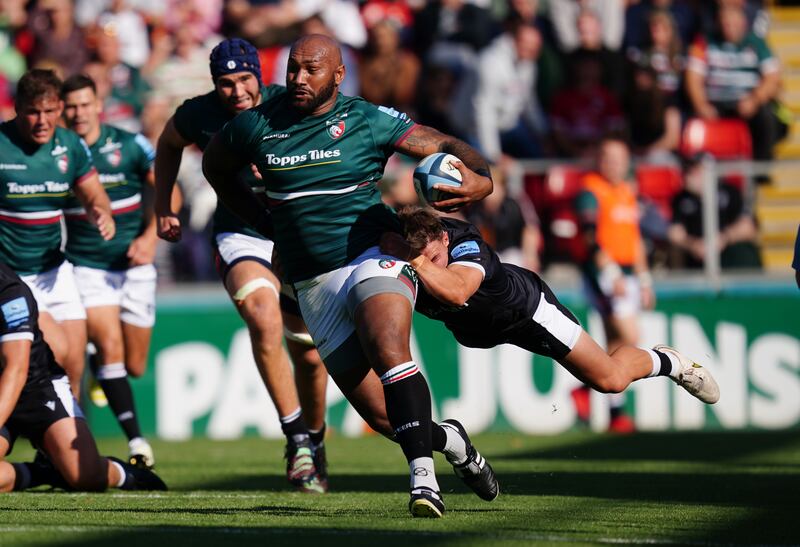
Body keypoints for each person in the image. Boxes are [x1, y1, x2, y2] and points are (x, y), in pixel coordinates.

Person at [202, 34, 496, 518]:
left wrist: (482, 177)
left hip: (370, 257)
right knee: (384, 416)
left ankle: (423, 481)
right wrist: (261, 223)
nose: (298, 78)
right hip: (312, 284)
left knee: (388, 346)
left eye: (310, 70)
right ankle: (450, 440)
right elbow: (217, 167)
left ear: (337, 76)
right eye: (293, 68)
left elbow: (440, 142)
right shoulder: (254, 125)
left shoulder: (365, 118)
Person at [154, 38, 329, 493]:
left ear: (260, 75)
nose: (236, 92)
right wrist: (163, 205)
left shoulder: (288, 102)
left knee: (310, 355)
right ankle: (296, 439)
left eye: (244, 79)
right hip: (239, 233)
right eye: (225, 83)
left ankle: (316, 438)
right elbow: (169, 142)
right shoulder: (199, 113)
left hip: (295, 238)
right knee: (262, 317)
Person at [380, 205, 719, 416]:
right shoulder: (402, 253)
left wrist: (414, 259)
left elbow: (456, 292)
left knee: (610, 380)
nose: (428, 267)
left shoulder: (464, 243)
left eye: (434, 258)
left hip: (529, 312)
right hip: (480, 330)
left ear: (443, 238)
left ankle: (671, 363)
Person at [61, 74, 176, 469]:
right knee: (109, 344)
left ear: (98, 104)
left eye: (83, 104)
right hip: (87, 266)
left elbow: (167, 186)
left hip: (135, 265)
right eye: (70, 106)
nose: (77, 113)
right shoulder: (58, 151)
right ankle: (138, 442)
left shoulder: (127, 145)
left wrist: (150, 236)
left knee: (135, 366)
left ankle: (100, 371)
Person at [0, 261, 167, 493]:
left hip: (36, 389)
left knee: (84, 476)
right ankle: (43, 473)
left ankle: (124, 474)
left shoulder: (9, 292)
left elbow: (15, 369)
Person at [0, 68, 114, 398]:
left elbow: (95, 194)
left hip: (55, 271)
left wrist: (99, 212)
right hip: (13, 276)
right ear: (17, 108)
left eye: (50, 112)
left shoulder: (70, 146)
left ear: (60, 109)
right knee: (58, 350)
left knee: (75, 362)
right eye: (33, 112)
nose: (42, 121)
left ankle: (60, 447)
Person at [574, 138, 656, 432]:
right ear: (599, 159)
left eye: (620, 159)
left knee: (616, 343)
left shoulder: (626, 192)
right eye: (609, 158)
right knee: (630, 335)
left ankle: (609, 408)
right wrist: (610, 274)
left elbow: (634, 241)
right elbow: (589, 238)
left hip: (627, 273)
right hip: (604, 273)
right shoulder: (590, 191)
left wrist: (644, 279)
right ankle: (595, 395)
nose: (614, 164)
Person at [685, 4, 782, 161]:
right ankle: (699, 164)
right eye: (725, 23)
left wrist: (754, 99)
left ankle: (759, 169)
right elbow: (693, 76)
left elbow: (772, 76)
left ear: (743, 22)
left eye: (732, 23)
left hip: (746, 102)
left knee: (767, 118)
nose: (728, 28)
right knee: (692, 122)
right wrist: (701, 104)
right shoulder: (705, 41)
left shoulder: (756, 43)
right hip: (716, 103)